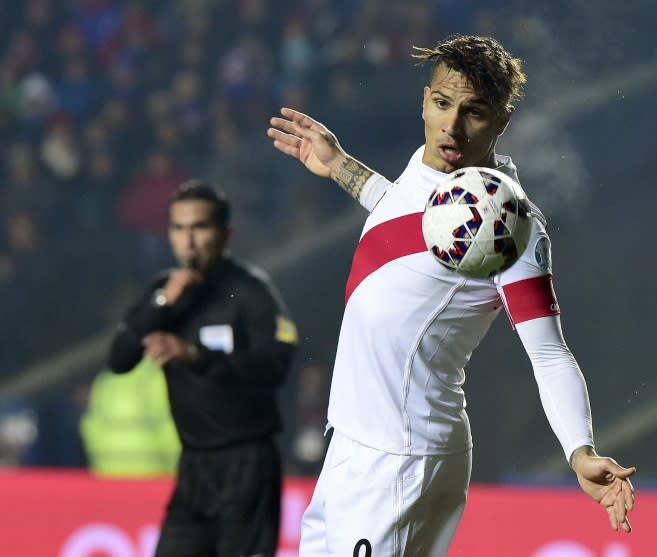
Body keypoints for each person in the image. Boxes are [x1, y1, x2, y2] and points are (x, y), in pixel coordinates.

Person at [267, 34, 636, 556]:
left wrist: (580, 451)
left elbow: (549, 352)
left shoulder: (510, 225)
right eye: (443, 104)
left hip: (401, 460)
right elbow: (402, 211)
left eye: (475, 112)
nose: (453, 125)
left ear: (502, 121)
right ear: (425, 100)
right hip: (353, 445)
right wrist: (340, 166)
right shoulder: (430, 169)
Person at [107, 179, 299, 557]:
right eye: (179, 228)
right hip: (194, 465)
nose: (188, 240)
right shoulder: (165, 291)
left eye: (199, 227)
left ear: (226, 234)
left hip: (247, 463)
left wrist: (197, 355)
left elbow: (276, 365)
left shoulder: (249, 291)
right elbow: (119, 360)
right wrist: (162, 302)